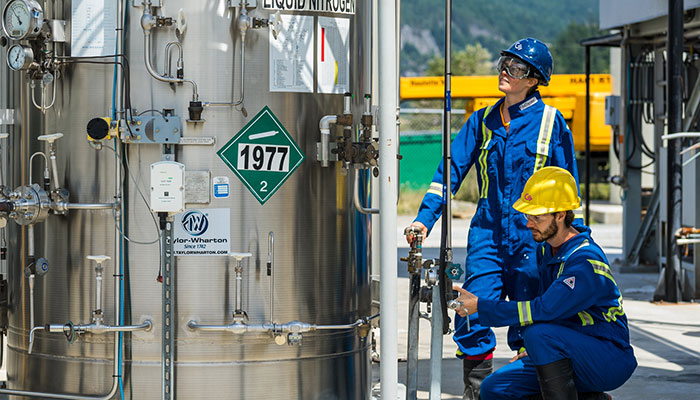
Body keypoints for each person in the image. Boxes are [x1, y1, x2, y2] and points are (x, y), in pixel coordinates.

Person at [406, 38, 580, 399]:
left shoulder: (551, 122)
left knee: (532, 317)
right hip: (487, 232)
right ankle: (478, 391)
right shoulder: (481, 121)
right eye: (504, 62)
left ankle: (526, 389)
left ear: (533, 79)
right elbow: (449, 172)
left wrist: (571, 241)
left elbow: (566, 189)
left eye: (515, 68)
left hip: (532, 237)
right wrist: (426, 218)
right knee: (470, 307)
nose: (505, 71)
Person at [452, 167, 637, 400]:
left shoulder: (584, 261)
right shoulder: (547, 250)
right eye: (529, 216)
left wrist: (481, 306)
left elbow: (543, 309)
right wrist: (535, 353)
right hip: (567, 348)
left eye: (536, 217)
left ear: (560, 215)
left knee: (539, 334)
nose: (529, 224)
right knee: (494, 388)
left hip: (606, 356)